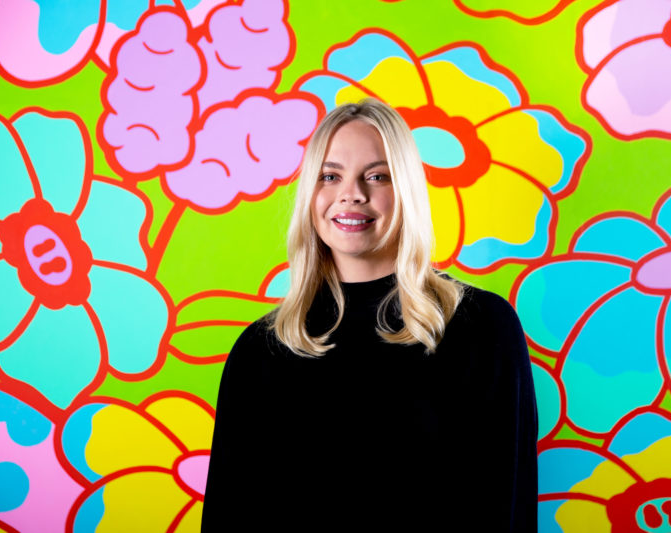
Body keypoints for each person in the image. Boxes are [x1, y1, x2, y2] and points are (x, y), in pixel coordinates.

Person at [202, 99, 537, 531]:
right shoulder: (261, 348)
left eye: (377, 176)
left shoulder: (482, 326)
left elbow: (505, 503)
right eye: (330, 176)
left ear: (406, 190)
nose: (352, 194)